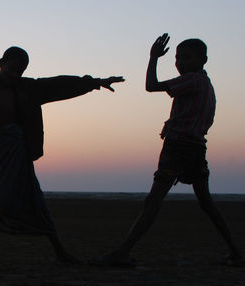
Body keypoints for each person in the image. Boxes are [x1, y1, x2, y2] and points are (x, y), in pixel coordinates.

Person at [0, 46, 124, 263]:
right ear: (0, 63)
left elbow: (58, 85)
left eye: (20, 71)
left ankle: (60, 252)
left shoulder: (28, 89)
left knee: (34, 199)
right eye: (13, 68)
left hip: (19, 156)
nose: (16, 74)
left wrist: (93, 82)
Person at [92, 34, 243, 267]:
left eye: (187, 57)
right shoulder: (205, 83)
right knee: (206, 203)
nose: (180, 62)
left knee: (153, 201)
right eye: (177, 58)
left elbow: (151, 86)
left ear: (202, 60)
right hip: (195, 148)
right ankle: (235, 251)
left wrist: (153, 58)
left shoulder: (192, 80)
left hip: (179, 147)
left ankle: (123, 252)